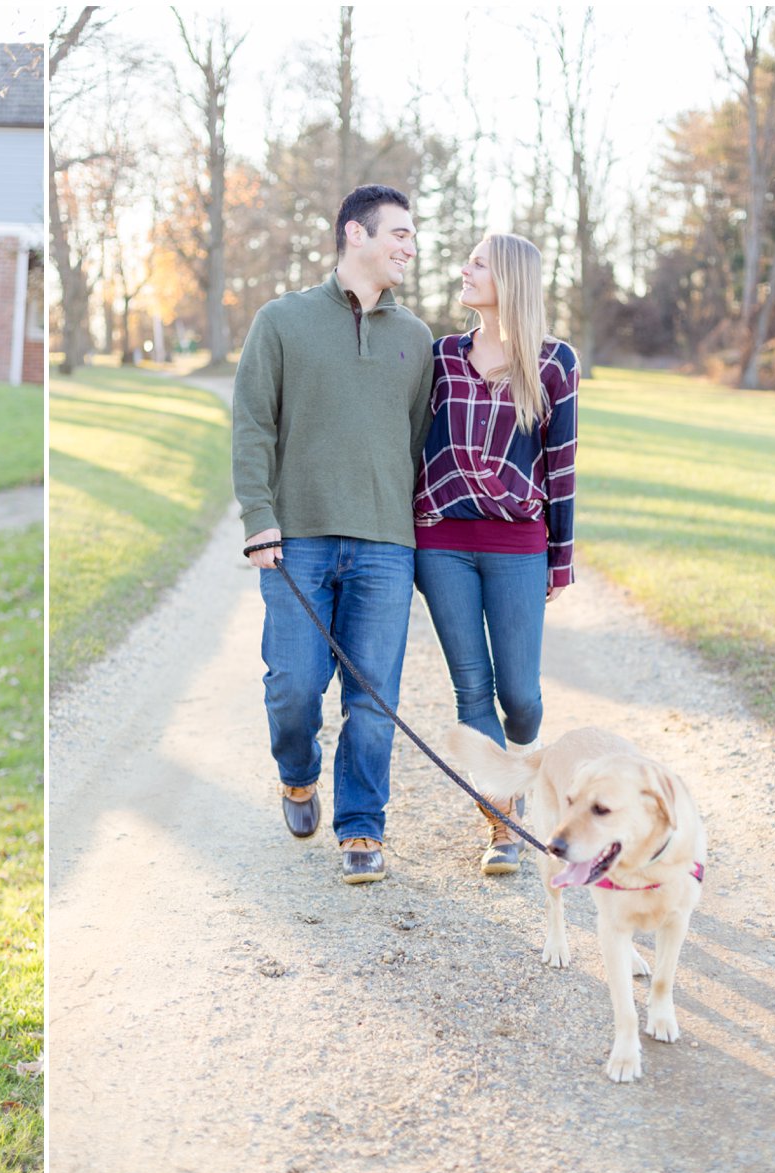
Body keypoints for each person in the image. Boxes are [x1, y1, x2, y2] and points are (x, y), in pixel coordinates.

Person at [234, 183, 434, 884]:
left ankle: (360, 827)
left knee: (372, 698)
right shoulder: (281, 321)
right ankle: (296, 774)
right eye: (400, 234)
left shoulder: (416, 338)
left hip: (384, 544)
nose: (410, 246)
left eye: (412, 235)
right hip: (298, 541)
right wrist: (258, 517)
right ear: (355, 234)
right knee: (291, 686)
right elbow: (253, 423)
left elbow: (415, 441)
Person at [412, 233, 577, 875]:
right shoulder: (439, 357)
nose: (465, 270)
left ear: (507, 276)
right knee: (472, 687)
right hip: (442, 542)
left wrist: (558, 560)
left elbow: (560, 469)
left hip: (517, 544)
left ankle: (525, 766)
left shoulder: (555, 362)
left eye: (477, 263)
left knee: (521, 694)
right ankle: (501, 825)